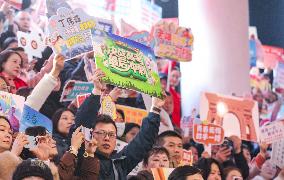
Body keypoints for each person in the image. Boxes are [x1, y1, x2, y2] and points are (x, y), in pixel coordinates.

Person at [72, 68, 165, 179]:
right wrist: (97, 90)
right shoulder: (82, 157)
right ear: (91, 135)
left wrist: (155, 108)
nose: (107, 138)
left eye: (111, 134)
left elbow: (143, 141)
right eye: (101, 133)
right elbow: (83, 123)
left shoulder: (120, 164)